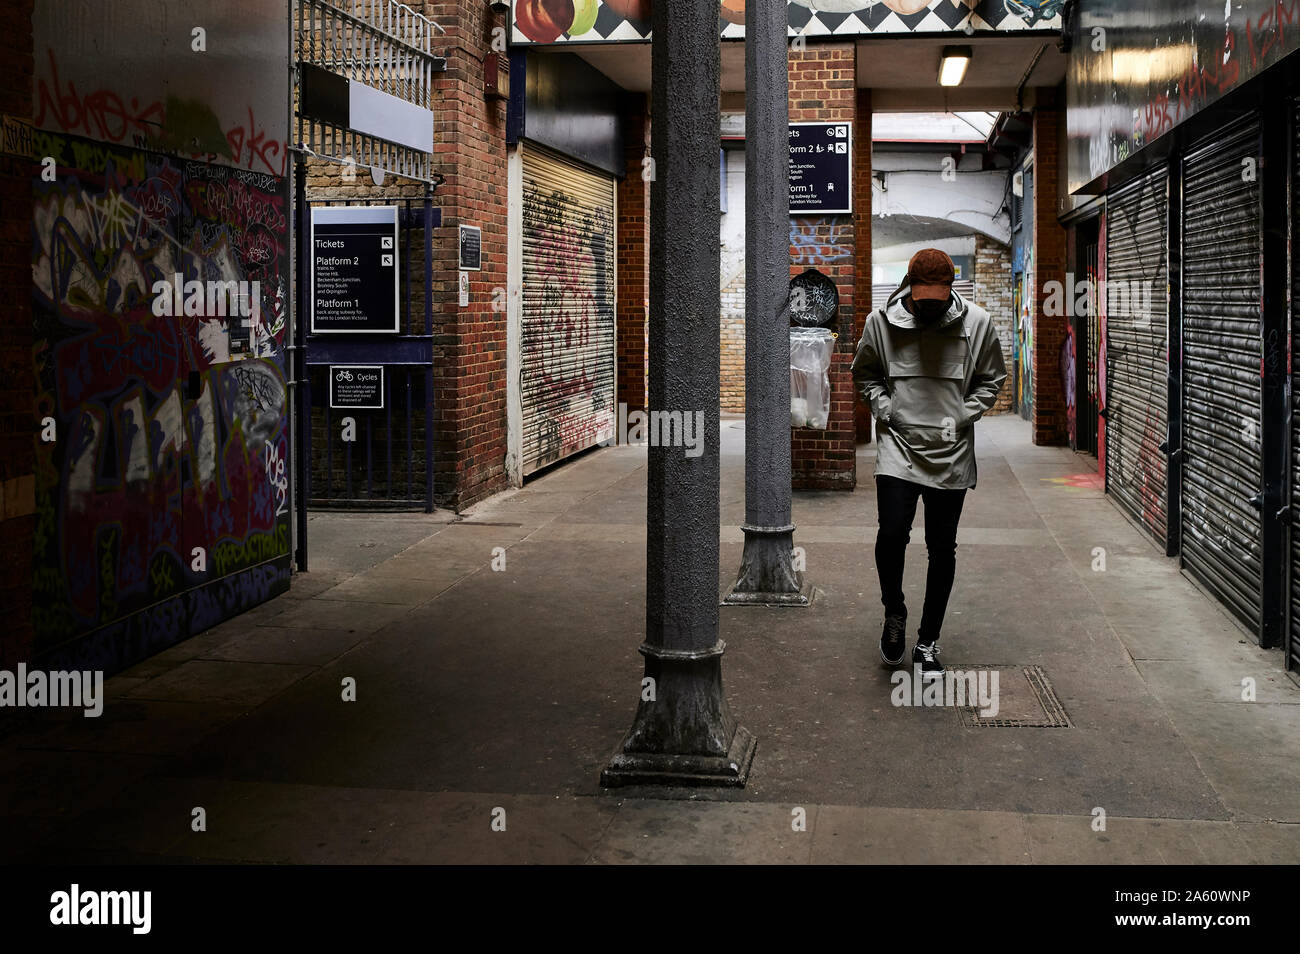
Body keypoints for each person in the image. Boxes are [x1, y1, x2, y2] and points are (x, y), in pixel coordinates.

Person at [851, 249, 1007, 678]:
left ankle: (927, 640)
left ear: (951, 290)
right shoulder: (879, 323)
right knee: (892, 534)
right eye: (923, 300)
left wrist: (963, 414)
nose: (930, 307)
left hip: (950, 452)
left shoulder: (977, 323)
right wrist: (888, 411)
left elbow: (993, 377)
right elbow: (865, 374)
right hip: (898, 447)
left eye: (938, 299)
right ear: (909, 288)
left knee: (941, 549)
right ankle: (894, 612)